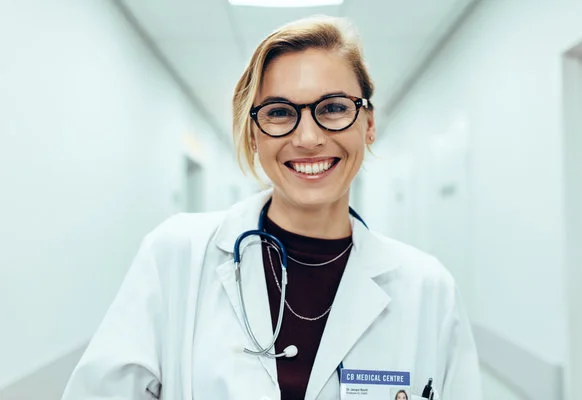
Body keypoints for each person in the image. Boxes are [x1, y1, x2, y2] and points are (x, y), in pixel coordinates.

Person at [61, 15, 481, 400]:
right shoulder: (176, 257)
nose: (309, 137)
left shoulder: (429, 290)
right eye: (280, 113)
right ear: (253, 135)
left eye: (333, 108)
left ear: (368, 125)